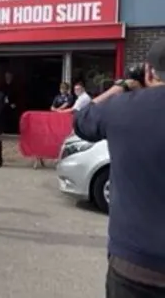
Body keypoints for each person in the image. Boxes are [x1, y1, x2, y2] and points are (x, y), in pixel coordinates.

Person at [73, 38, 165, 297]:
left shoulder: (122, 107)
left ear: (148, 71)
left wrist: (121, 87)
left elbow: (81, 120)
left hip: (134, 266)